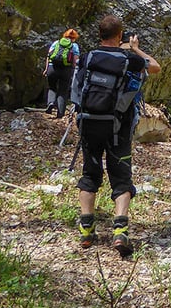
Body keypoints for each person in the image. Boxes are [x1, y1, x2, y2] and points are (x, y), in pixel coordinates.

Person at [71, 14, 161, 255]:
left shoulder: (89, 57)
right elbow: (155, 67)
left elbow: (77, 87)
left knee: (90, 174)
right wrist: (136, 49)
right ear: (119, 35)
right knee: (121, 177)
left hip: (88, 124)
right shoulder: (129, 58)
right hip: (117, 128)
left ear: (99, 34)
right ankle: (120, 231)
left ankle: (86, 228)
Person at [44, 29, 80, 118]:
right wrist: (75, 70)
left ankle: (51, 103)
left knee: (52, 87)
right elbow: (75, 60)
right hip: (66, 70)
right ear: (74, 38)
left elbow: (49, 56)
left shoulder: (56, 43)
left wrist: (46, 69)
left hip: (52, 68)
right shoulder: (74, 46)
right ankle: (60, 114)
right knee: (63, 91)